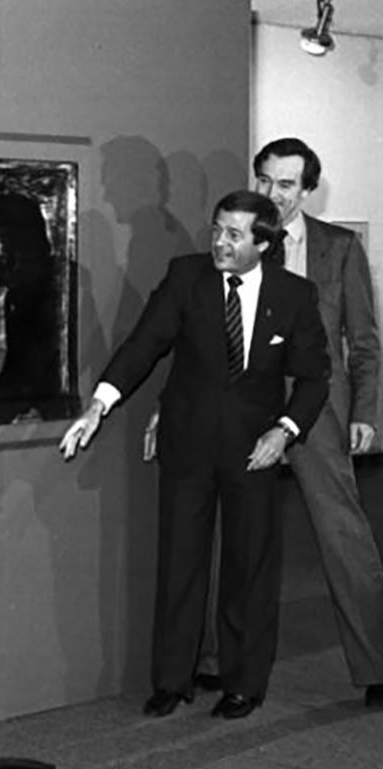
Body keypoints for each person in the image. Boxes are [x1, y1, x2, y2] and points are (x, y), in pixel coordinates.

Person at [60, 190, 331, 720]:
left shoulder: (295, 295)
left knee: (248, 569)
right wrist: (100, 403)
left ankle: (242, 684)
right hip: (187, 446)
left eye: (234, 234)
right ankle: (171, 680)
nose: (220, 242)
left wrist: (285, 432)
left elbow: (315, 377)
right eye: (216, 229)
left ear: (263, 241)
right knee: (181, 563)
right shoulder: (186, 277)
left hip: (255, 451)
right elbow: (144, 345)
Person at [170, 138, 383, 708]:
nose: (272, 193)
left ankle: (377, 665)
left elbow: (363, 341)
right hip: (239, 409)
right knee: (229, 534)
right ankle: (218, 660)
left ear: (307, 189)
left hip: (316, 412)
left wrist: (365, 411)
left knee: (344, 535)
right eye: (264, 180)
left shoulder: (339, 249)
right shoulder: (232, 241)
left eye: (285, 184)